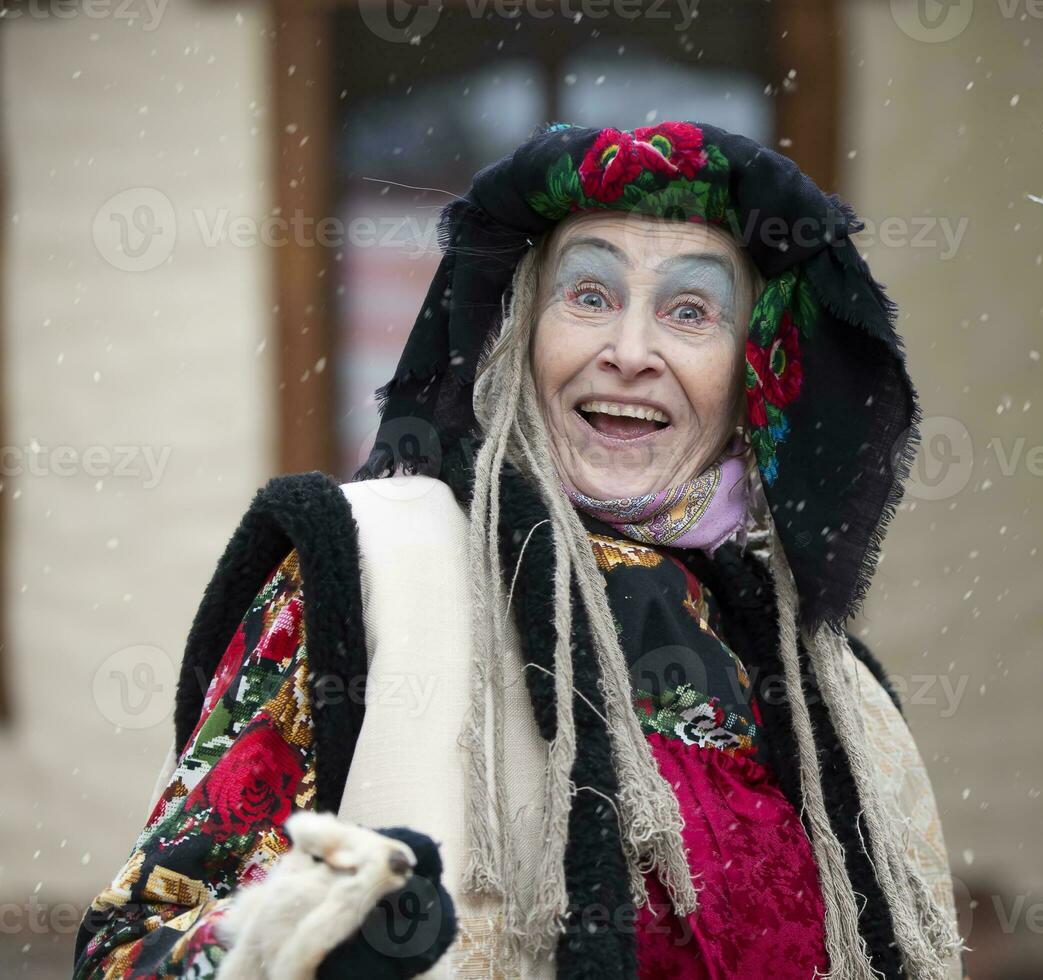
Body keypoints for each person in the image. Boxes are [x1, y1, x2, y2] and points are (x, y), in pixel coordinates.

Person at [73, 121, 961, 979]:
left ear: (752, 372)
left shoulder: (832, 689)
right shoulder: (370, 571)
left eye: (690, 311)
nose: (630, 351)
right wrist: (293, 948)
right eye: (589, 297)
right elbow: (134, 951)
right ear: (519, 332)